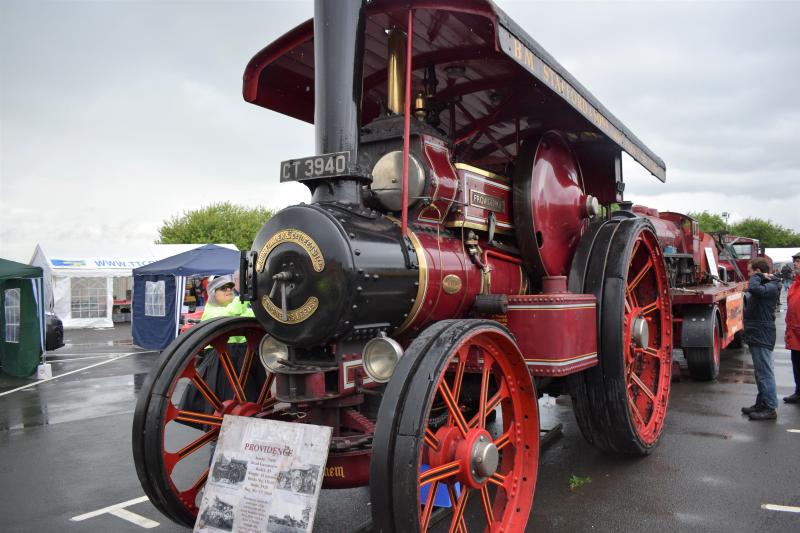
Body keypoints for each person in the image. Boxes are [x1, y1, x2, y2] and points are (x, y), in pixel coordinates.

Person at [740, 258, 781, 420]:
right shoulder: (766, 285)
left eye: (750, 271)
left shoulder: (770, 286)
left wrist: (757, 276)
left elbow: (755, 288)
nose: (749, 275)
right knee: (760, 373)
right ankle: (762, 402)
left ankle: (770, 407)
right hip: (757, 333)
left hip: (762, 333)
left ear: (757, 271)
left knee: (765, 373)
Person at [784, 252, 800, 403]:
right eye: (795, 261)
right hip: (795, 332)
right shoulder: (795, 283)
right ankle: (799, 391)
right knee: (797, 364)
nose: (795, 264)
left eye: (799, 261)